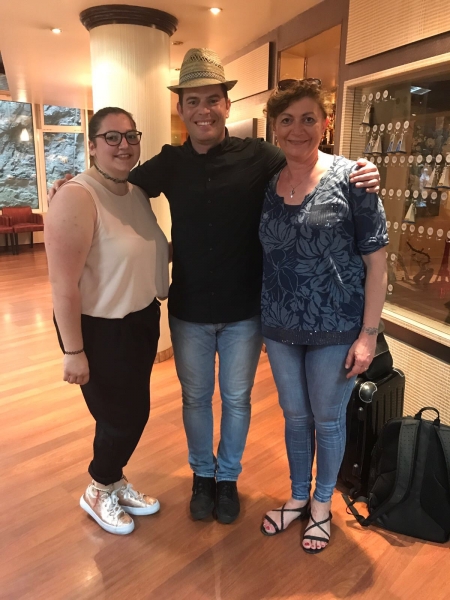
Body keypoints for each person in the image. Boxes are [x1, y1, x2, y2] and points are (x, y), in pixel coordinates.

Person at [48, 48, 380, 526]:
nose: (203, 110)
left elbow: (305, 159)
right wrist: (69, 187)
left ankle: (227, 479)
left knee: (238, 400)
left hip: (245, 311)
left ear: (227, 104)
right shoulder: (167, 164)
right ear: (181, 109)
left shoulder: (260, 156)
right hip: (187, 311)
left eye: (212, 100)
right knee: (195, 400)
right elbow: (113, 180)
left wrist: (357, 168)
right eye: (193, 101)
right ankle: (202, 476)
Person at [259, 79, 388, 553]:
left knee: (328, 420)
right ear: (275, 128)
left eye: (308, 118)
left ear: (326, 123)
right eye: (287, 120)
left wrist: (368, 335)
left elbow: (378, 264)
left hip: (337, 326)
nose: (298, 129)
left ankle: (320, 505)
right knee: (295, 417)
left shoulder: (353, 179)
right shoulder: (266, 183)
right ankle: (298, 496)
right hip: (279, 324)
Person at [45, 107, 169, 535]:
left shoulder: (135, 192)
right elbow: (62, 284)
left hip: (140, 320)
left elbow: (144, 250)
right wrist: (73, 351)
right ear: (93, 145)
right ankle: (99, 487)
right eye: (111, 137)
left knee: (132, 411)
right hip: (100, 329)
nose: (123, 145)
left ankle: (113, 479)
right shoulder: (77, 195)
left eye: (131, 136)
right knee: (122, 417)